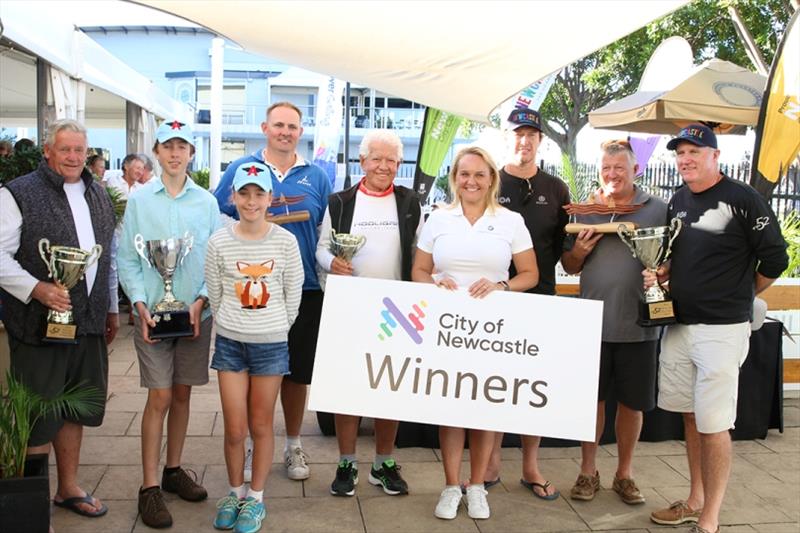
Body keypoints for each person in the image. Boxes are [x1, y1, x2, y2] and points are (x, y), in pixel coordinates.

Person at [644, 125, 787, 533]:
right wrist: (662, 275)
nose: (685, 158)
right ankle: (695, 500)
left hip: (721, 331)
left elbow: (775, 260)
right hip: (680, 326)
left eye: (694, 151)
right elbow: (677, 256)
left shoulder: (743, 198)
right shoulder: (679, 199)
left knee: (715, 424)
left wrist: (743, 294)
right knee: (692, 418)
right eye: (680, 152)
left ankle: (710, 519)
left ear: (714, 155)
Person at [412, 146, 539, 520]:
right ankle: (452, 486)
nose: (471, 181)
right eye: (464, 174)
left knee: (485, 409)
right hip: (448, 329)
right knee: (451, 408)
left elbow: (530, 274)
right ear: (454, 179)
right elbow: (418, 270)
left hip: (493, 331)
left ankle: (478, 486)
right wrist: (435, 281)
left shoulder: (511, 220)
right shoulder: (438, 218)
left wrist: (502, 286)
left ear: (491, 180)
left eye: (479, 175)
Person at [0, 119, 118, 520]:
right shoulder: (17, 193)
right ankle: (33, 508)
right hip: (36, 324)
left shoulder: (97, 194)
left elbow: (107, 256)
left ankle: (67, 489)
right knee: (38, 412)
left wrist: (111, 308)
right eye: (65, 149)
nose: (73, 157)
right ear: (47, 151)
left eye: (79, 150)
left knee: (74, 407)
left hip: (85, 321)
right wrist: (37, 288)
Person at [214, 102, 330, 483]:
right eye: (278, 125)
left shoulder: (317, 174)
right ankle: (248, 444)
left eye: (292, 126)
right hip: (250, 294)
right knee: (249, 375)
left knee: (297, 376)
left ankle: (292, 443)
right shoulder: (241, 169)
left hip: (304, 290)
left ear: (301, 130)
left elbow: (327, 230)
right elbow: (217, 217)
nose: (285, 131)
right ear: (265, 127)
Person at [117, 120, 220, 529]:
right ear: (156, 152)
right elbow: (127, 256)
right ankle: (148, 487)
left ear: (191, 154)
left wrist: (199, 303)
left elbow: (214, 257)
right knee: (158, 397)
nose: (175, 154)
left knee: (181, 394)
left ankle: (173, 470)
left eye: (183, 147)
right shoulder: (141, 201)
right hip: (153, 316)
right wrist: (139, 304)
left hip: (196, 313)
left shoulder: (206, 203)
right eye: (168, 146)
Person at [316, 130, 421, 497]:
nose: (384, 166)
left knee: (387, 389)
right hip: (349, 308)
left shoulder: (410, 202)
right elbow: (321, 248)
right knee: (348, 389)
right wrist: (333, 263)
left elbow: (420, 250)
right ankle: (347, 461)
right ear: (362, 161)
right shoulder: (340, 202)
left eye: (391, 160)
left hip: (396, 310)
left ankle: (383, 463)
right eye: (377, 158)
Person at [561, 140, 666, 504]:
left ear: (636, 170)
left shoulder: (658, 210)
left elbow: (671, 260)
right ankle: (588, 471)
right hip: (593, 323)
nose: (612, 174)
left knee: (633, 404)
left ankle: (625, 474)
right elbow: (570, 266)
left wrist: (662, 273)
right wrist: (578, 251)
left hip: (639, 322)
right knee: (593, 402)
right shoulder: (583, 211)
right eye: (606, 168)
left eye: (619, 168)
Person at [206, 161, 303, 533]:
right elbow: (215, 293)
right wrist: (234, 323)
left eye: (258, 194)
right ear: (233, 196)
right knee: (234, 427)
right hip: (231, 345)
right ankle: (234, 491)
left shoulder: (285, 242)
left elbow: (291, 296)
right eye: (243, 193)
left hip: (271, 346)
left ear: (270, 198)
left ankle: (256, 498)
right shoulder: (220, 241)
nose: (250, 201)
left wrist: (272, 327)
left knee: (261, 424)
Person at [486, 108, 569, 499]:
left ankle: (531, 465)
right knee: (494, 383)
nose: (524, 141)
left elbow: (568, 255)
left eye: (531, 135)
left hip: (540, 297)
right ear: (508, 138)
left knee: (532, 385)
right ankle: (490, 462)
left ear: (540, 141)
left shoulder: (556, 189)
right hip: (492, 298)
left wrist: (583, 246)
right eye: (518, 134)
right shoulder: (488, 180)